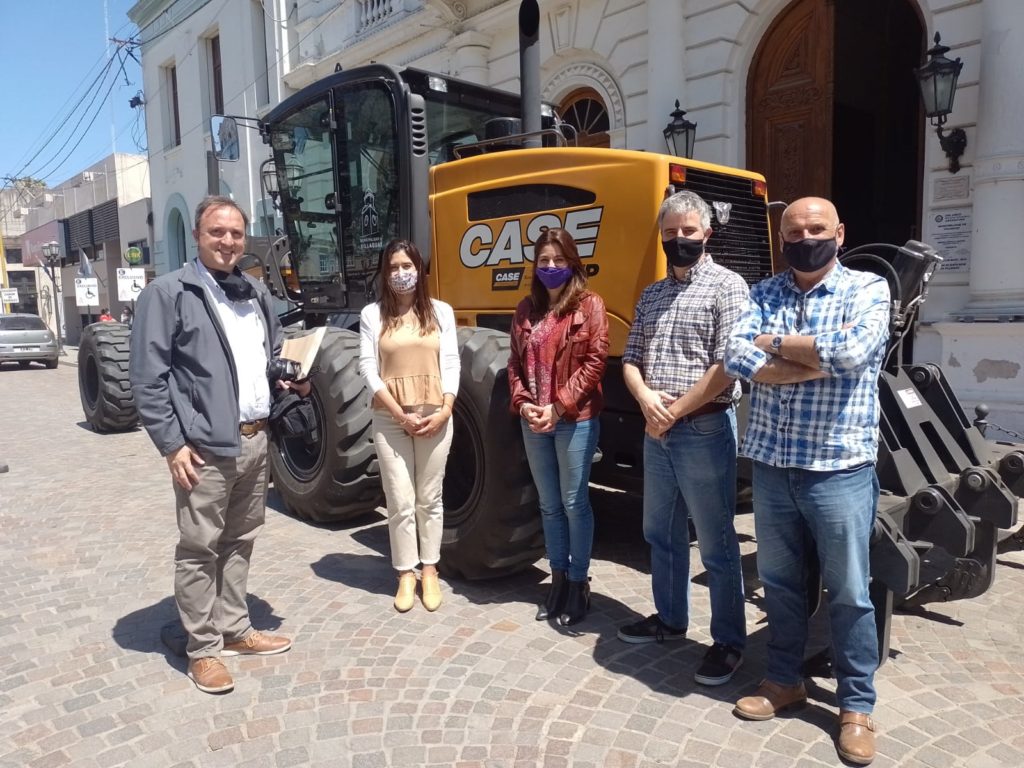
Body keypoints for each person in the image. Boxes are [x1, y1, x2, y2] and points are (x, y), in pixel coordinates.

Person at [724, 197, 890, 765]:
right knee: (780, 583)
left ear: (839, 234)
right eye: (794, 232)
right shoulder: (763, 293)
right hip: (772, 465)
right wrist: (810, 357)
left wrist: (773, 345)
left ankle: (856, 707)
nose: (805, 239)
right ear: (781, 238)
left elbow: (853, 352)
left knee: (849, 591)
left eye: (816, 229)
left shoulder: (867, 289)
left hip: (838, 468)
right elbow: (735, 354)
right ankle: (783, 680)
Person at [129, 195, 307, 695]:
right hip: (203, 448)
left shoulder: (255, 290)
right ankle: (203, 649)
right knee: (199, 548)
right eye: (217, 232)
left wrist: (289, 377)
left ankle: (234, 628)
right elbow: (147, 378)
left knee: (240, 541)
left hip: (255, 437)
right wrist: (172, 445)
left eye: (236, 233)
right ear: (197, 236)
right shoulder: (168, 293)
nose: (228, 241)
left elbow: (270, 353)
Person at [617, 190, 749, 688]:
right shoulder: (652, 294)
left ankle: (729, 641)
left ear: (706, 233)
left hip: (703, 429)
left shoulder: (728, 286)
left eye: (688, 231)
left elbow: (727, 364)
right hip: (657, 430)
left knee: (715, 541)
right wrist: (646, 398)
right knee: (661, 532)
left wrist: (672, 411)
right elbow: (631, 358)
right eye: (670, 232)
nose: (679, 240)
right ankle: (670, 619)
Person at [507, 228, 608, 626]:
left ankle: (579, 582)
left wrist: (558, 406)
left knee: (573, 503)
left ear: (572, 263)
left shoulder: (589, 305)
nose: (551, 267)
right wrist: (523, 404)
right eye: (544, 260)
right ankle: (559, 579)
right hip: (535, 420)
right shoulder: (525, 309)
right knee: (549, 505)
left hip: (574, 420)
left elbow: (595, 363)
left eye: (559, 260)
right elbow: (514, 364)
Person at [358, 239, 460, 613]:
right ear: (384, 273)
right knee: (400, 499)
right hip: (390, 419)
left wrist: (445, 409)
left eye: (407, 266)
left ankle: (430, 570)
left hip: (435, 414)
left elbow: (452, 361)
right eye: (393, 267)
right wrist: (400, 414)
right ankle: (405, 572)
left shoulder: (441, 312)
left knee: (429, 498)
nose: (401, 274)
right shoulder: (372, 315)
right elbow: (368, 368)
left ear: (419, 269)